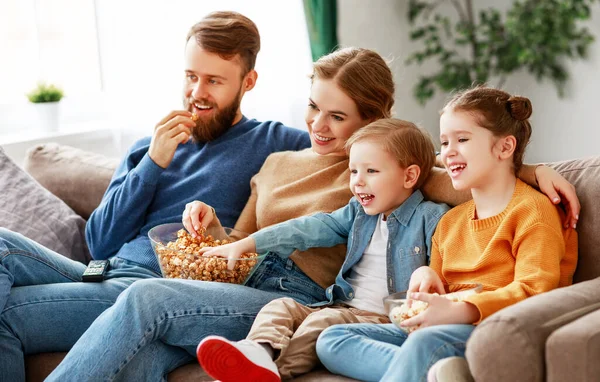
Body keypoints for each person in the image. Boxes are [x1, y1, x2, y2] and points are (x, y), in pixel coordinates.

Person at [47, 43, 578, 381]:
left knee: (146, 300)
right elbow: (255, 236)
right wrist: (216, 231)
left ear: (372, 122)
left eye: (337, 115)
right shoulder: (279, 158)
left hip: (309, 298)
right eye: (313, 108)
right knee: (154, 350)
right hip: (252, 278)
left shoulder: (382, 173)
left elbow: (463, 176)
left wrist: (535, 169)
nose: (319, 126)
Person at [0, 11, 310, 382]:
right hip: (104, 274)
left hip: (158, 288)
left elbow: (348, 145)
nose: (197, 93)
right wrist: (153, 163)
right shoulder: (148, 147)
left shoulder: (276, 142)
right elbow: (99, 243)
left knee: (7, 316)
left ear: (249, 81)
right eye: (191, 77)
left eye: (214, 81)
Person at [315, 86, 579, 382]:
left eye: (462, 139)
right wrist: (427, 277)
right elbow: (440, 289)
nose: (448, 151)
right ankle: (437, 374)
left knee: (423, 343)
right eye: (444, 141)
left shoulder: (534, 211)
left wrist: (462, 310)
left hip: (489, 328)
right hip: (440, 328)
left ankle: (429, 368)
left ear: (505, 148)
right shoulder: (451, 221)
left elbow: (534, 291)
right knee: (332, 339)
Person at [195, 119, 450, 382]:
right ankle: (257, 351)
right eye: (353, 172)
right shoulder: (359, 214)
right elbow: (309, 228)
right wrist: (248, 243)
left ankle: (274, 372)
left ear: (409, 176)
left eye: (371, 171)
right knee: (281, 307)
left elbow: (445, 270)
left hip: (383, 320)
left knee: (323, 322)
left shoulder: (431, 218)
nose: (358, 182)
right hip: (340, 304)